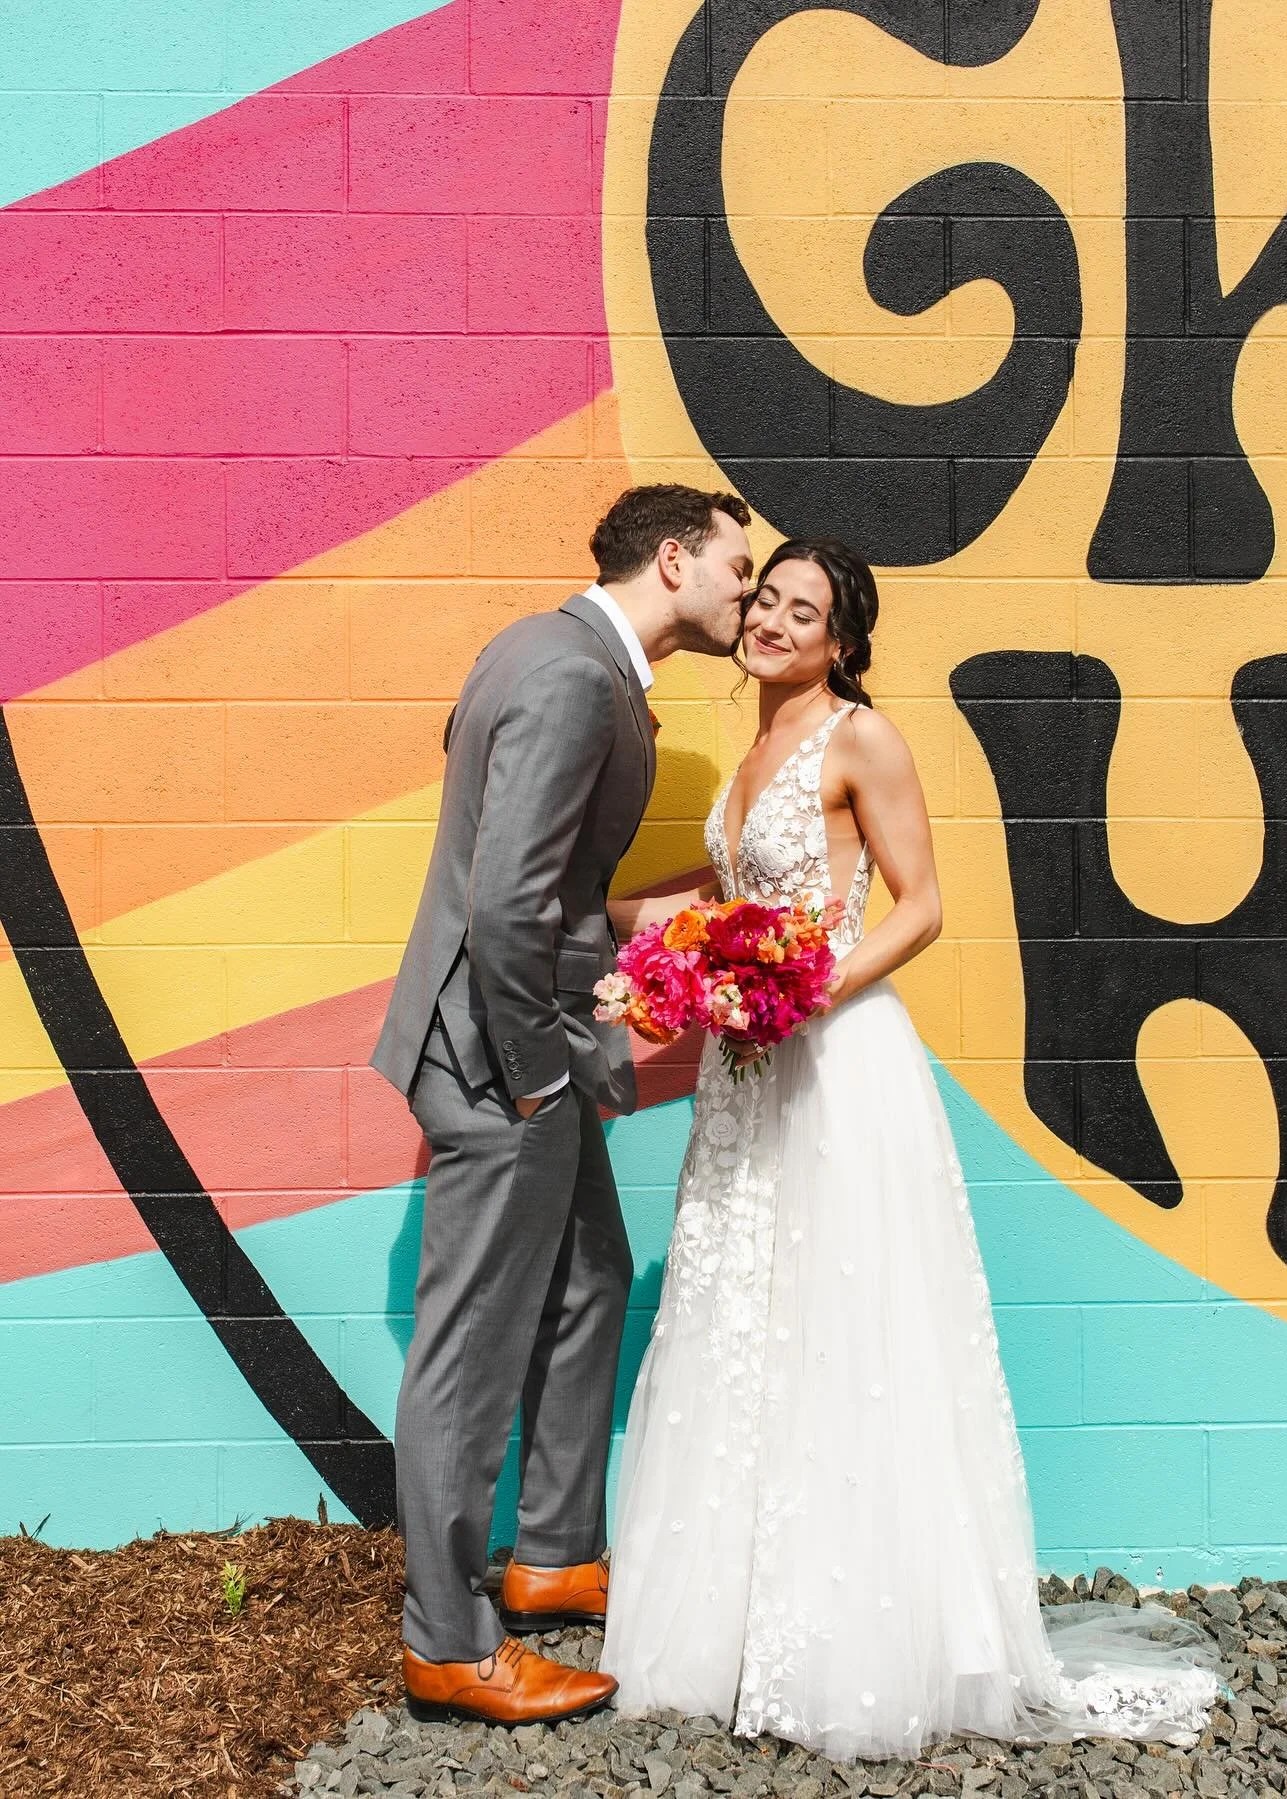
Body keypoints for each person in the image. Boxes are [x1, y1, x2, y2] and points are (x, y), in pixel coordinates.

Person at [600, 537, 1220, 1759]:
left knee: (842, 1323)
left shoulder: (861, 737)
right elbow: (732, 900)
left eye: (805, 612)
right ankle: (729, 1630)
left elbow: (922, 904)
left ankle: (853, 1645)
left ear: (842, 642)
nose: (775, 622)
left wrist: (808, 992)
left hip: (834, 1062)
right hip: (745, 1069)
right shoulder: (751, 744)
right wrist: (638, 936)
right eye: (768, 600)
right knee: (742, 1311)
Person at [372, 485, 753, 1726]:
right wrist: (540, 1071)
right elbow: (503, 903)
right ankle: (447, 1642)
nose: (747, 593)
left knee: (591, 1280)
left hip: (514, 1039)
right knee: (469, 1353)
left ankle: (552, 1555)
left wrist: (657, 921)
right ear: (674, 557)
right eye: (737, 569)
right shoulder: (578, 677)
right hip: (501, 1060)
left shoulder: (539, 648)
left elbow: (539, 879)